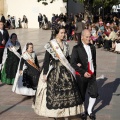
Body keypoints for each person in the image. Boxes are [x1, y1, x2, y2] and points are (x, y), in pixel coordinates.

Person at [33, 26, 84, 120]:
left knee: (68, 92)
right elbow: (46, 60)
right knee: (55, 93)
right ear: (57, 33)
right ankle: (57, 114)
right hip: (55, 71)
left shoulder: (66, 44)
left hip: (66, 70)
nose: (63, 34)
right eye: (61, 33)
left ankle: (67, 112)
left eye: (64, 32)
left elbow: (68, 58)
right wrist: (44, 73)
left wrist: (75, 63)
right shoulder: (51, 44)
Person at [71, 29, 98, 120]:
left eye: (89, 36)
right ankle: (82, 111)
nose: (88, 38)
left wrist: (94, 72)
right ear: (82, 37)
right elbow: (73, 63)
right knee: (81, 95)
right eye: (87, 37)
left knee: (94, 93)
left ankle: (89, 110)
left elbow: (93, 61)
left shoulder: (93, 47)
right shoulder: (76, 48)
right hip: (82, 75)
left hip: (92, 74)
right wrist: (83, 72)